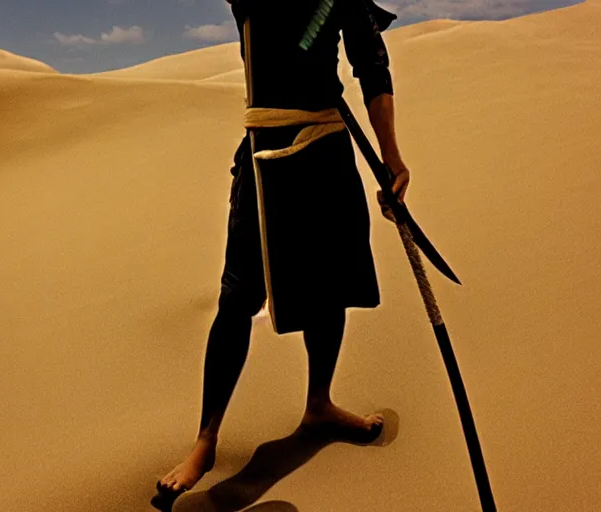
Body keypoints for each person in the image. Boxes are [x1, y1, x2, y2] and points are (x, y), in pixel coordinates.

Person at [154, 0, 410, 501]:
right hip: (264, 159)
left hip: (327, 151)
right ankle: (205, 441)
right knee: (237, 300)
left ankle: (319, 404)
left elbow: (371, 66)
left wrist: (392, 158)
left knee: (330, 291)